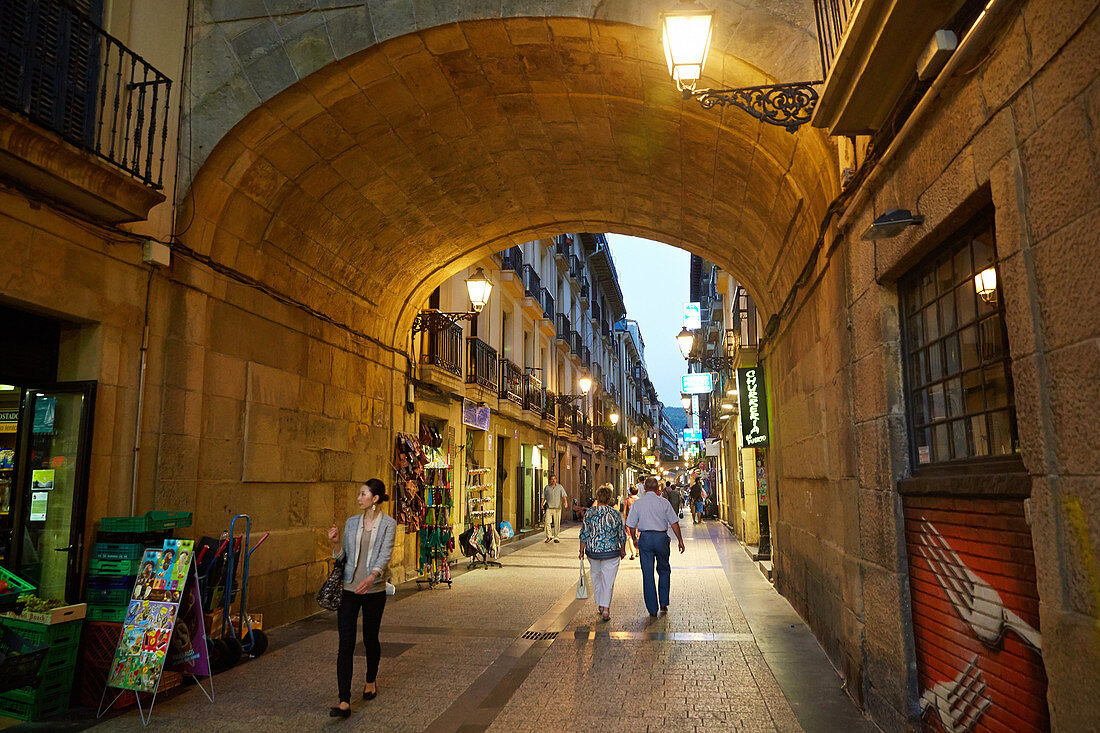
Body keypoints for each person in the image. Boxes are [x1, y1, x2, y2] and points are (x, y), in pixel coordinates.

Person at [327, 479, 397, 718]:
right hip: (349, 589)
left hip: (374, 591)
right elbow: (342, 556)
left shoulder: (388, 524)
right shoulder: (352, 522)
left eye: (363, 494)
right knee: (345, 643)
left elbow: (385, 554)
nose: (359, 498)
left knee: (370, 638)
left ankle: (370, 681)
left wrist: (372, 577)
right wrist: (336, 542)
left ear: (375, 498)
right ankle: (344, 699)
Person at [625, 477, 685, 617]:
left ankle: (652, 609)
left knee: (647, 573)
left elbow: (631, 525)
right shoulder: (664, 503)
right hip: (661, 538)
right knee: (664, 569)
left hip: (645, 539)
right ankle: (663, 602)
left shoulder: (638, 504)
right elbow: (674, 523)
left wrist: (634, 539)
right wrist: (680, 540)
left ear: (644, 488)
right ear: (658, 488)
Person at [578, 484, 627, 622]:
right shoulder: (615, 514)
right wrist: (622, 549)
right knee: (608, 580)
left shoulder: (590, 513)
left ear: (597, 497)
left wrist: (581, 550)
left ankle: (600, 603)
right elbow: (621, 534)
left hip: (593, 552)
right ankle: (605, 609)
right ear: (610, 498)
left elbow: (584, 533)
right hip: (611, 552)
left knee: (596, 576)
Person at [542, 474, 568, 543]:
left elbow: (564, 495)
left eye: (554, 479)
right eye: (552, 479)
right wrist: (541, 504)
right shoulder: (547, 488)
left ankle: (556, 537)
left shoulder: (560, 487)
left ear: (556, 480)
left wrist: (565, 502)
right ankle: (549, 536)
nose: (553, 480)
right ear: (550, 480)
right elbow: (543, 496)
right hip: (549, 508)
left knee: (557, 523)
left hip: (557, 508)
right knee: (547, 522)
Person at [623, 486, 640, 560]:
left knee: (629, 536)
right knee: (638, 535)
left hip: (629, 520)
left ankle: (632, 554)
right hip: (638, 520)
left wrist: (625, 519)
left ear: (630, 492)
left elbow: (624, 511)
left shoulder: (627, 500)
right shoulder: (639, 500)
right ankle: (637, 551)